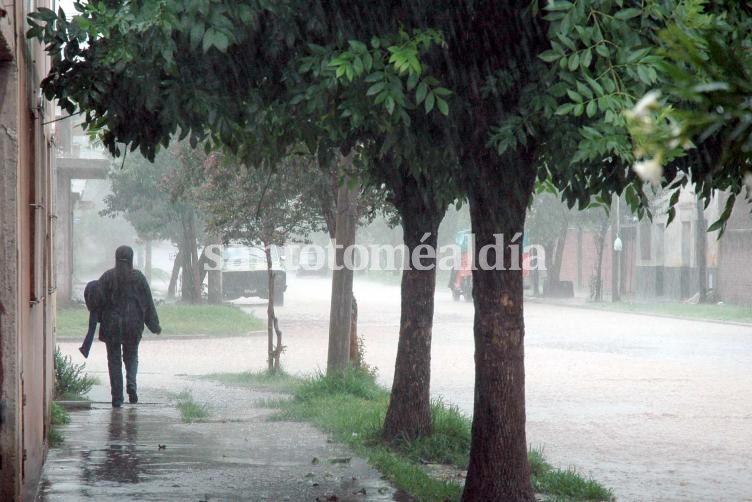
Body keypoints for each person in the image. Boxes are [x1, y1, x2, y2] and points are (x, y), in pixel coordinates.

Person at [98, 245, 161, 407]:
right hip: (133, 324)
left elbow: (98, 301)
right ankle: (131, 382)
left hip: (111, 325)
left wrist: (98, 320)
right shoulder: (138, 277)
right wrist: (154, 325)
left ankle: (117, 398)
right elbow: (148, 302)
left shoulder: (107, 277)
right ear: (131, 259)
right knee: (131, 356)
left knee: (114, 361)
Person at [79, 280, 103, 358]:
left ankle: (85, 349)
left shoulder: (90, 284)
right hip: (102, 309)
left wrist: (90, 307)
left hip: (93, 309)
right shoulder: (105, 286)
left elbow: (85, 294)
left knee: (91, 330)